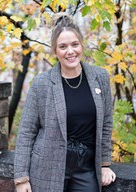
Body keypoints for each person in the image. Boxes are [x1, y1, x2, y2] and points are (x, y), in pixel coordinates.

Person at [14, 12, 116, 192]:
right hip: (47, 168)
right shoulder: (41, 84)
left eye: (74, 44)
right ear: (55, 51)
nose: (70, 51)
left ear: (81, 45)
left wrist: (105, 164)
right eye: (63, 46)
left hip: (86, 168)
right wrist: (21, 179)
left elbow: (106, 123)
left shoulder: (99, 77)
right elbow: (26, 132)